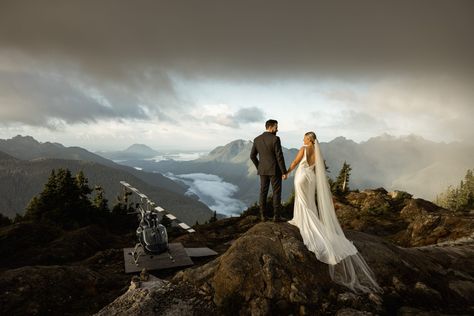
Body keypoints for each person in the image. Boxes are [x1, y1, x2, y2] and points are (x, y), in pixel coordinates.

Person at [284, 131, 382, 293]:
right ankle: (306, 219)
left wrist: (287, 172)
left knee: (302, 201)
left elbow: (295, 162)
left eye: (304, 137)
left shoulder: (304, 148)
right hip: (312, 179)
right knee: (309, 202)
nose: (302, 139)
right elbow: (317, 169)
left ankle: (302, 220)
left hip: (301, 177)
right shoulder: (317, 151)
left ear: (309, 139)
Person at [250, 119, 288, 222]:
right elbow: (279, 157)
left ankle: (263, 216)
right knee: (276, 193)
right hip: (275, 170)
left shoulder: (257, 139)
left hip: (263, 170)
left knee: (263, 192)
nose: (277, 129)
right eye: (276, 127)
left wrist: (259, 167)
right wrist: (284, 172)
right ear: (270, 127)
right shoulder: (275, 139)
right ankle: (276, 217)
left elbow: (252, 156)